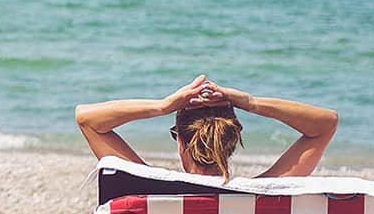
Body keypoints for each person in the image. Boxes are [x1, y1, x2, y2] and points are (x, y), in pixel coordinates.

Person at [75, 75, 338, 182]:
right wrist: (250, 102)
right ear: (232, 141)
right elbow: (325, 124)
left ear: (180, 142)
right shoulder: (262, 196)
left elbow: (87, 119)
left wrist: (162, 106)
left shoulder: (148, 189)